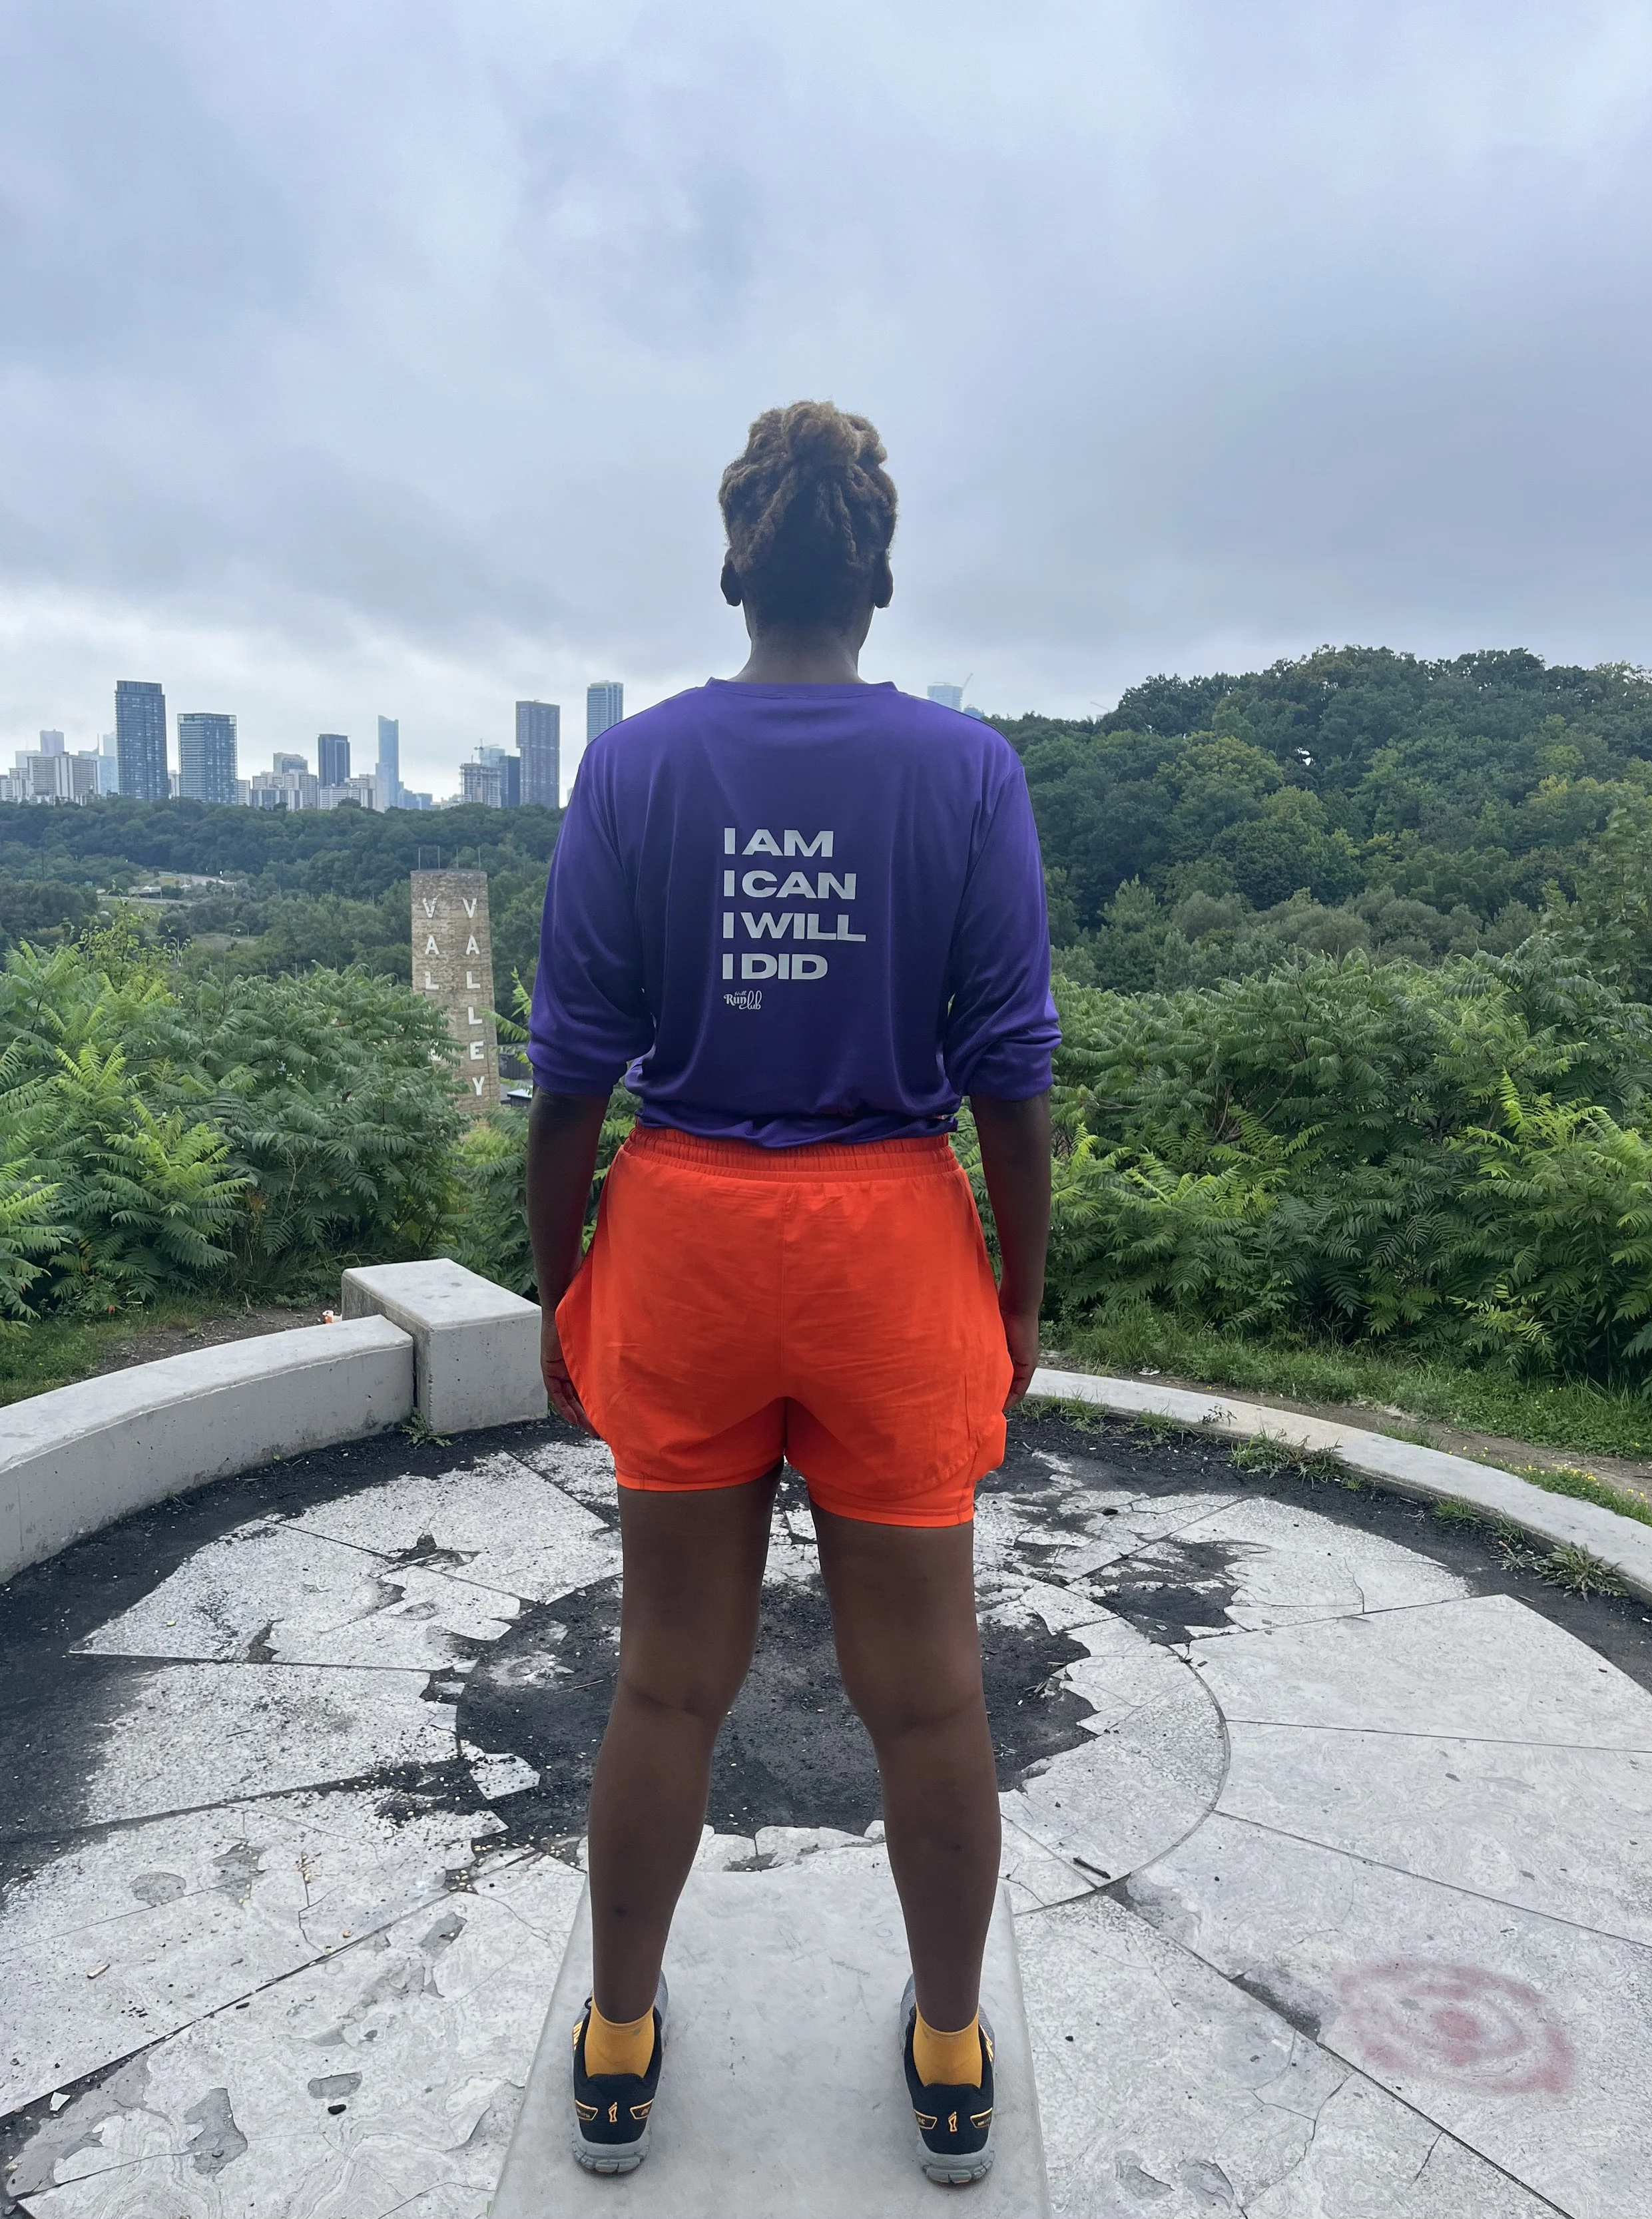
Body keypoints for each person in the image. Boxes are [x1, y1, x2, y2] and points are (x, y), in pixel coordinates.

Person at [525, 399, 1058, 2185]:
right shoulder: (965, 773)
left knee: (667, 1679)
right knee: (925, 1690)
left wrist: (560, 1282)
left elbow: (571, 1077)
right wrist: (1020, 1293)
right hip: (890, 1249)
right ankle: (949, 2041)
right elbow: (1007, 1075)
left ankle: (614, 2043)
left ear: (735, 557)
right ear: (878, 577)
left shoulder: (639, 767)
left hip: (683, 1236)